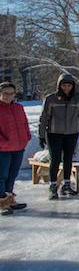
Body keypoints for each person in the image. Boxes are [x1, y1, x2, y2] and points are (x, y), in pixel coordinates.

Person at [38, 73, 79, 200]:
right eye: (64, 85)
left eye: (69, 86)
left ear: (73, 86)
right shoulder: (51, 99)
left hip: (71, 133)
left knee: (68, 159)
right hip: (54, 133)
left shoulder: (77, 99)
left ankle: (66, 185)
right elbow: (44, 117)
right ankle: (53, 186)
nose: (66, 88)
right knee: (55, 159)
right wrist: (41, 135)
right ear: (59, 86)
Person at [0, 82, 30, 215]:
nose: (8, 96)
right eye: (5, 93)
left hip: (18, 147)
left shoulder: (19, 108)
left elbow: (25, 124)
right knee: (2, 176)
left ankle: (10, 199)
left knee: (12, 175)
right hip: (3, 149)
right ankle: (2, 203)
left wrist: (26, 137)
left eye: (11, 93)